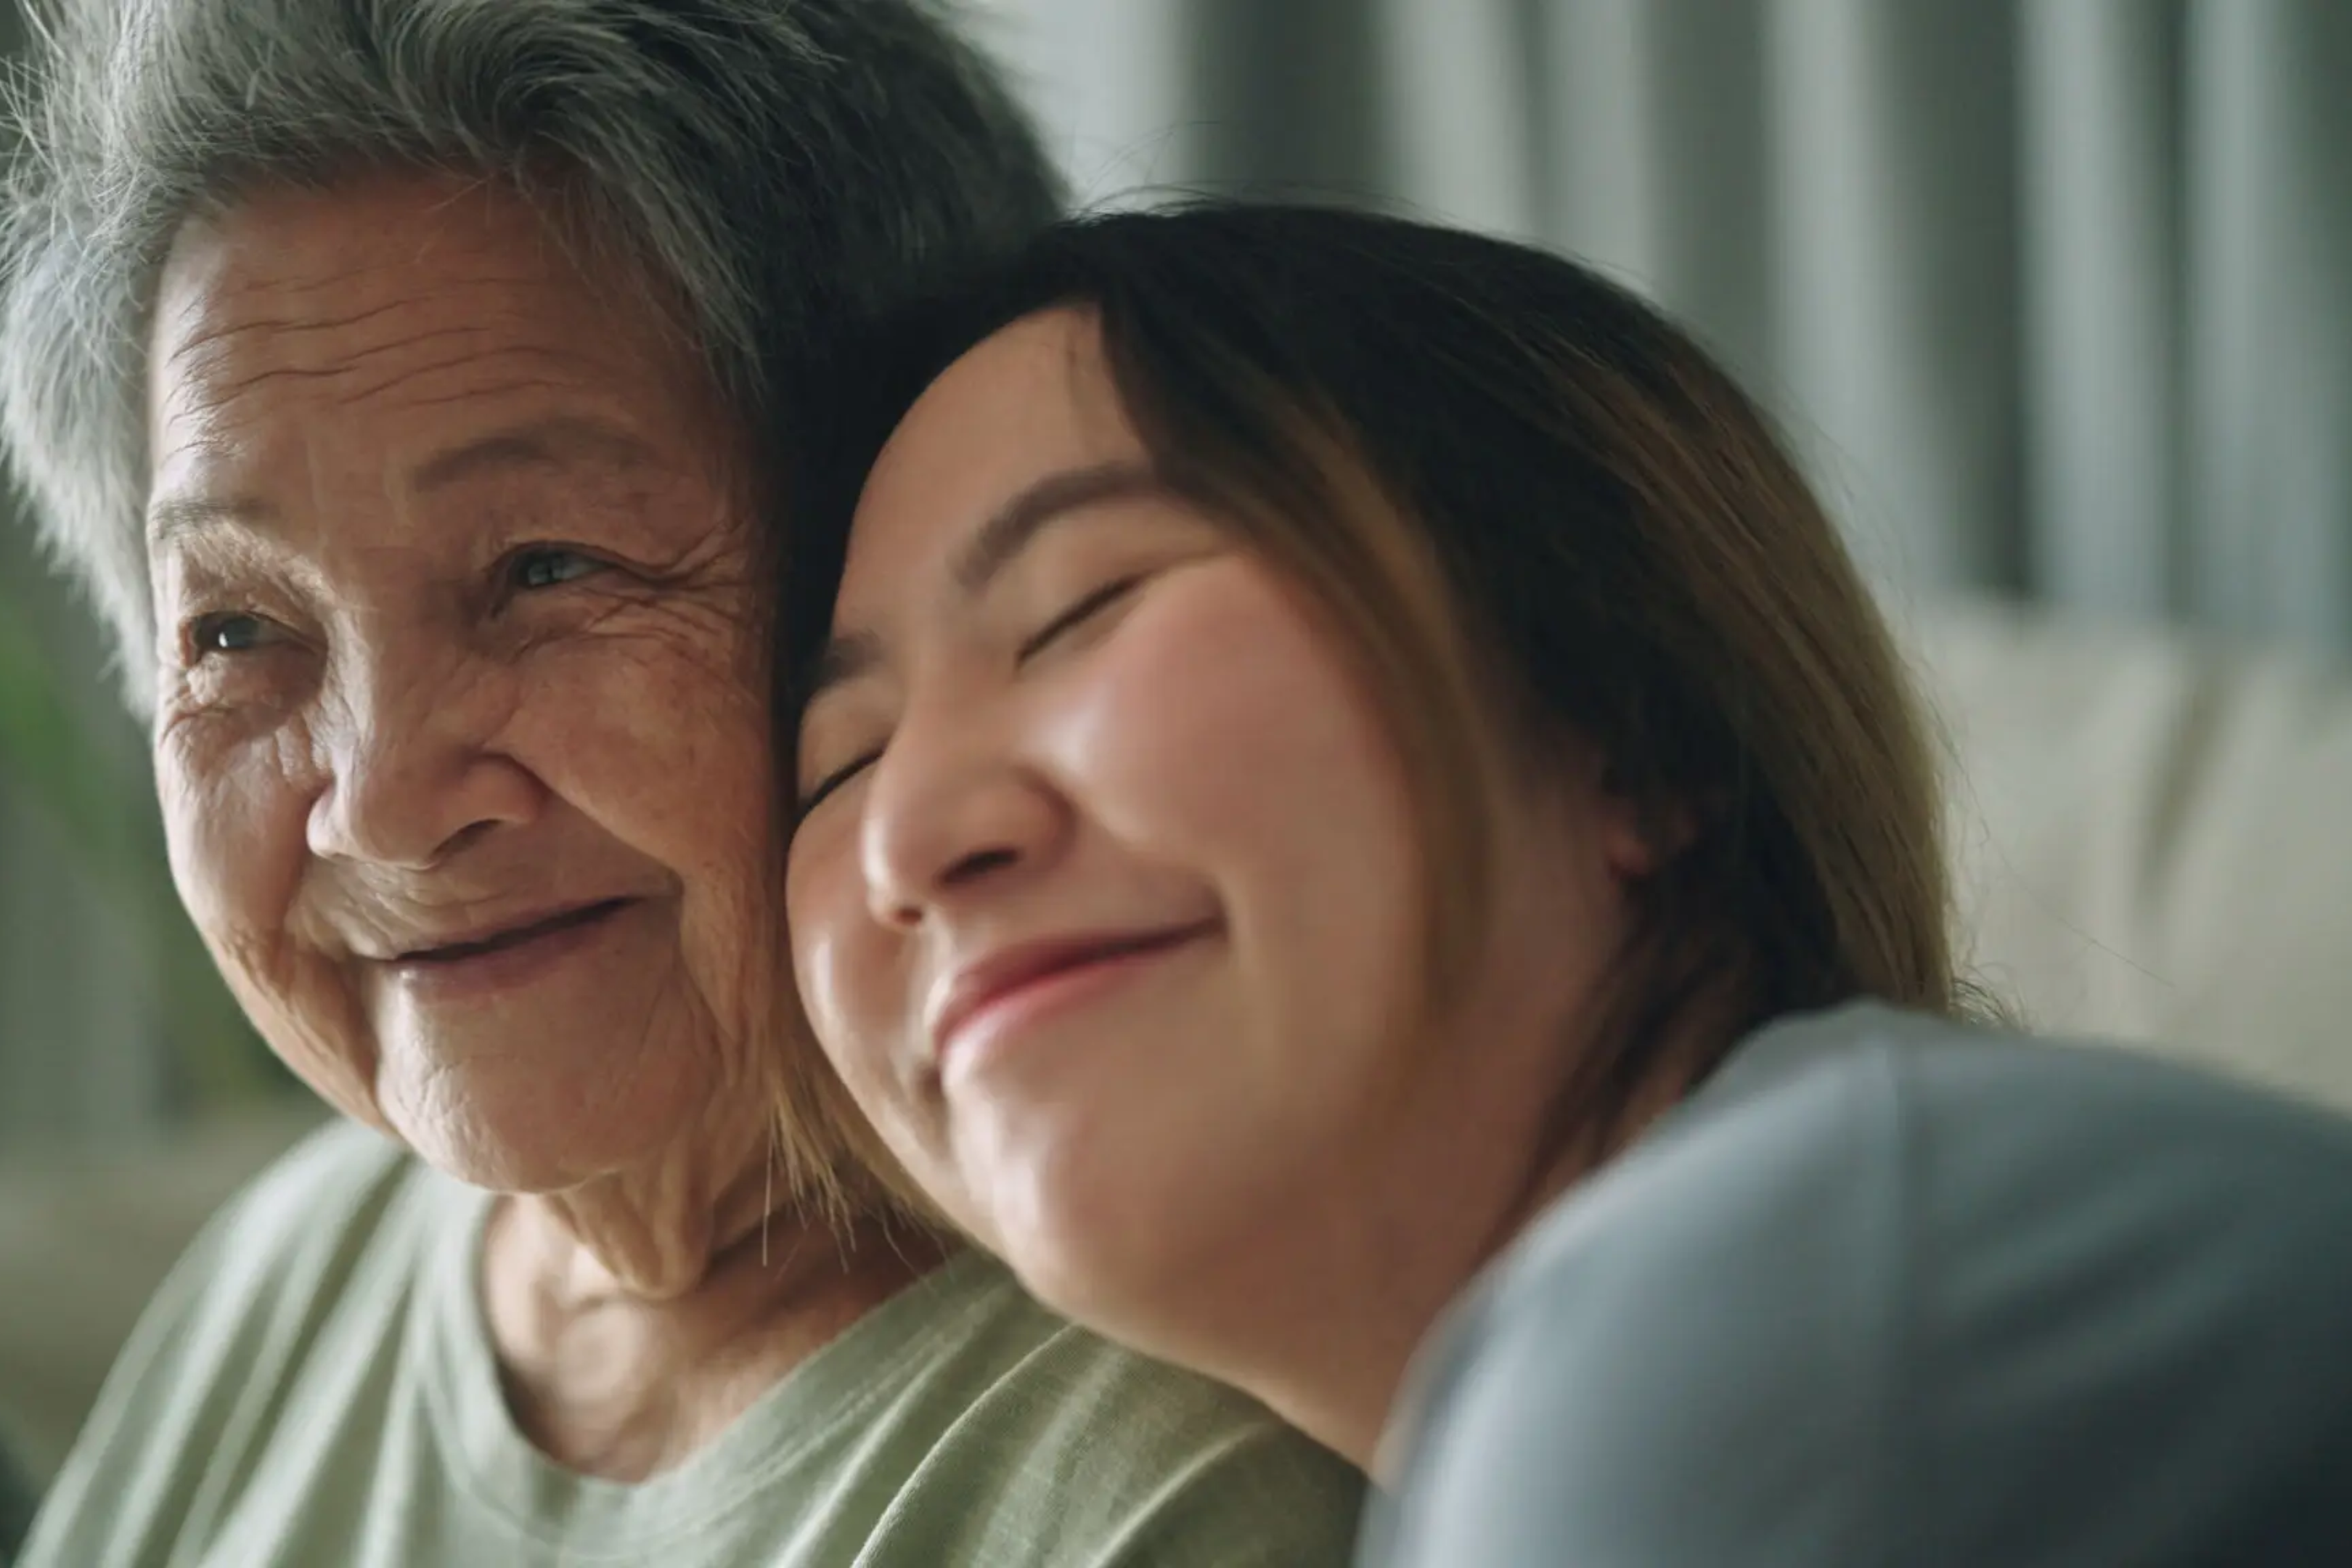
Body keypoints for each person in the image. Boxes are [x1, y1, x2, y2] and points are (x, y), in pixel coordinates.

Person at [783, 203, 2352, 1566]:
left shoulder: (1758, 1305)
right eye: (836, 766)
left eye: (1085, 606)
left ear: (1631, 718)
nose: (907, 834)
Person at [0, 9, 1361, 1564]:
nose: (382, 805)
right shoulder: (296, 1272)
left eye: (547, 567)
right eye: (237, 630)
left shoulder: (1176, 1477)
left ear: (894, 557)